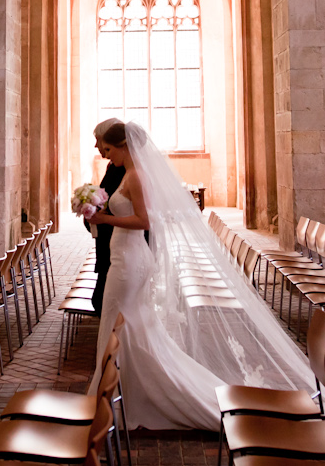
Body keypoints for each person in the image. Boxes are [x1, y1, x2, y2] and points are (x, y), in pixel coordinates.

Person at [84, 120, 312, 430]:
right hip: (126, 258)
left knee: (118, 323)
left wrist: (105, 216)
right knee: (130, 328)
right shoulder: (130, 174)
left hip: (130, 261)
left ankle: (118, 397)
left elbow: (146, 221)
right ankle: (126, 392)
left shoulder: (135, 176)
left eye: (109, 150)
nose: (107, 156)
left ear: (124, 146)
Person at [91, 118, 127, 314]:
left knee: (105, 303)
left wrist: (103, 217)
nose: (97, 146)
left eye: (100, 142)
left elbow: (143, 219)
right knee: (103, 302)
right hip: (112, 241)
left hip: (122, 243)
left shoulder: (130, 172)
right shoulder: (115, 166)